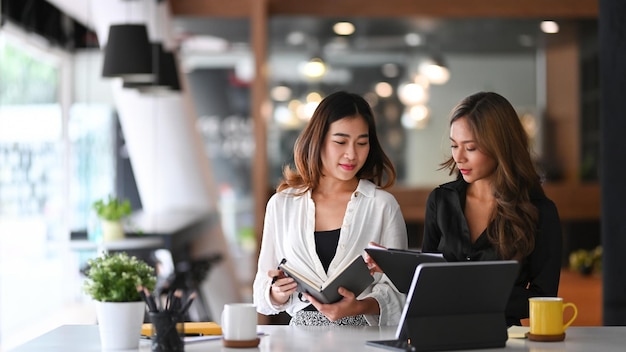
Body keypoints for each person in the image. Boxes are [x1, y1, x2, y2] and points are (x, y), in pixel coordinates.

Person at [366, 91, 562, 326]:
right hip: (440, 334)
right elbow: (424, 283)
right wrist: (394, 265)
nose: (459, 157)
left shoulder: (539, 212)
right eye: (454, 145)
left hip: (503, 339)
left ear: (501, 146)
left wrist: (471, 293)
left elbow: (544, 297)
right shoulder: (440, 201)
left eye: (470, 148)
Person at [253, 91, 408, 326]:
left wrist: (360, 306)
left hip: (362, 339)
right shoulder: (282, 204)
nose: (352, 154)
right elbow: (261, 291)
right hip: (299, 340)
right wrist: (277, 292)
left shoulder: (382, 205)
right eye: (340, 141)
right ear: (319, 140)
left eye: (362, 143)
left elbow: (401, 292)